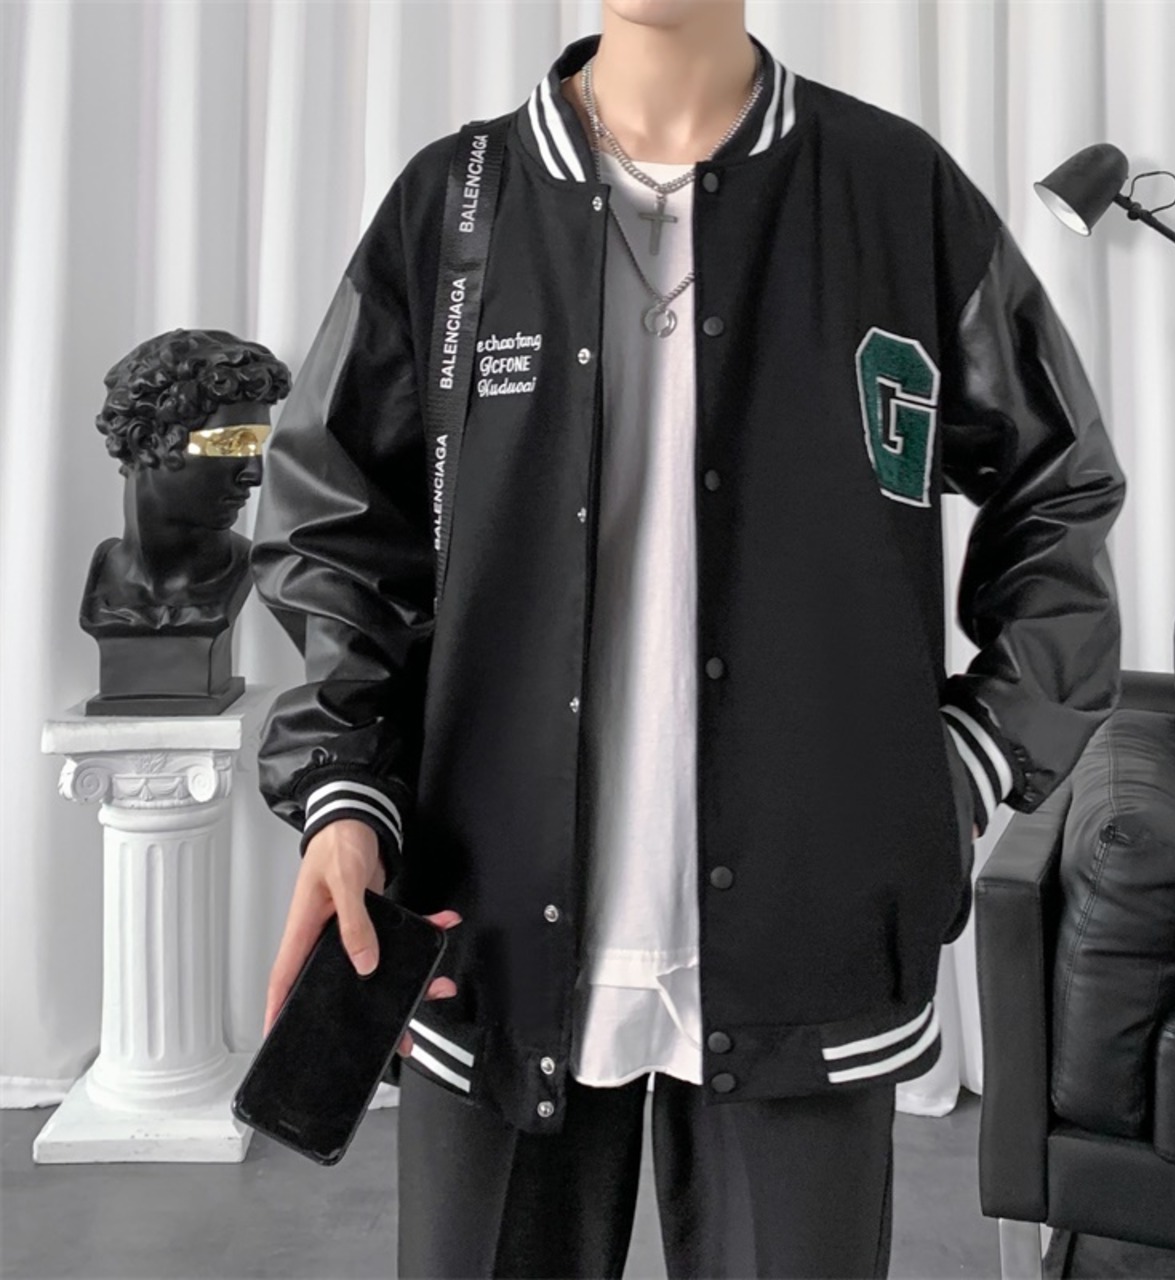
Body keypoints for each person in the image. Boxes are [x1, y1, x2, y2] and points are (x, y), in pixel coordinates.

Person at [249, 3, 1126, 1276]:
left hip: (812, 931)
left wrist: (965, 762)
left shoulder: (893, 190)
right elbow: (330, 524)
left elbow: (1057, 489)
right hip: (484, 920)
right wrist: (343, 790)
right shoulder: (456, 202)